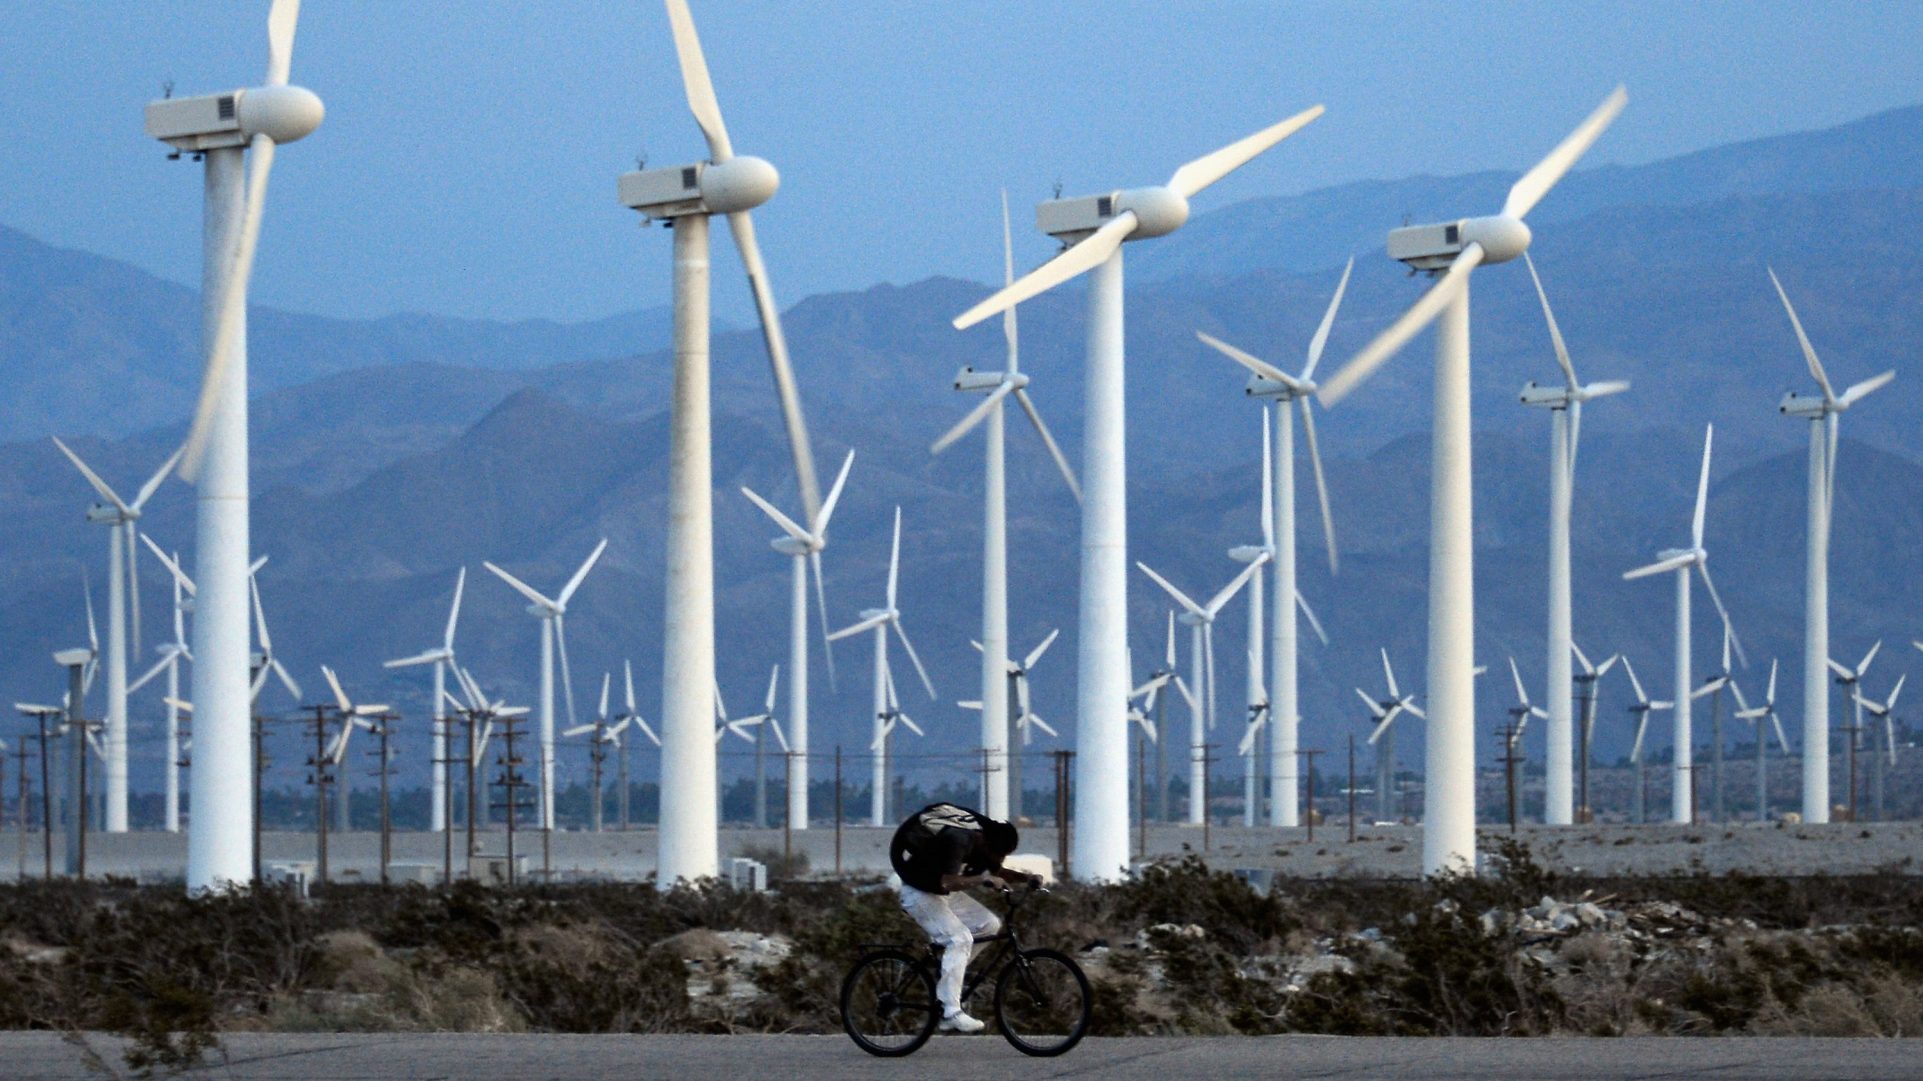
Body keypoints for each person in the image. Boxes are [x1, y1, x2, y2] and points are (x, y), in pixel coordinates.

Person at [889, 802, 1036, 1033]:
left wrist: (1026, 878)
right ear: (987, 842)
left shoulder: (986, 841)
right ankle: (950, 1012)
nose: (999, 858)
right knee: (960, 939)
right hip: (918, 893)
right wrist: (982, 881)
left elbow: (996, 871)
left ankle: (950, 976)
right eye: (999, 853)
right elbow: (949, 881)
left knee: (989, 925)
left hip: (939, 892)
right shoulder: (958, 839)